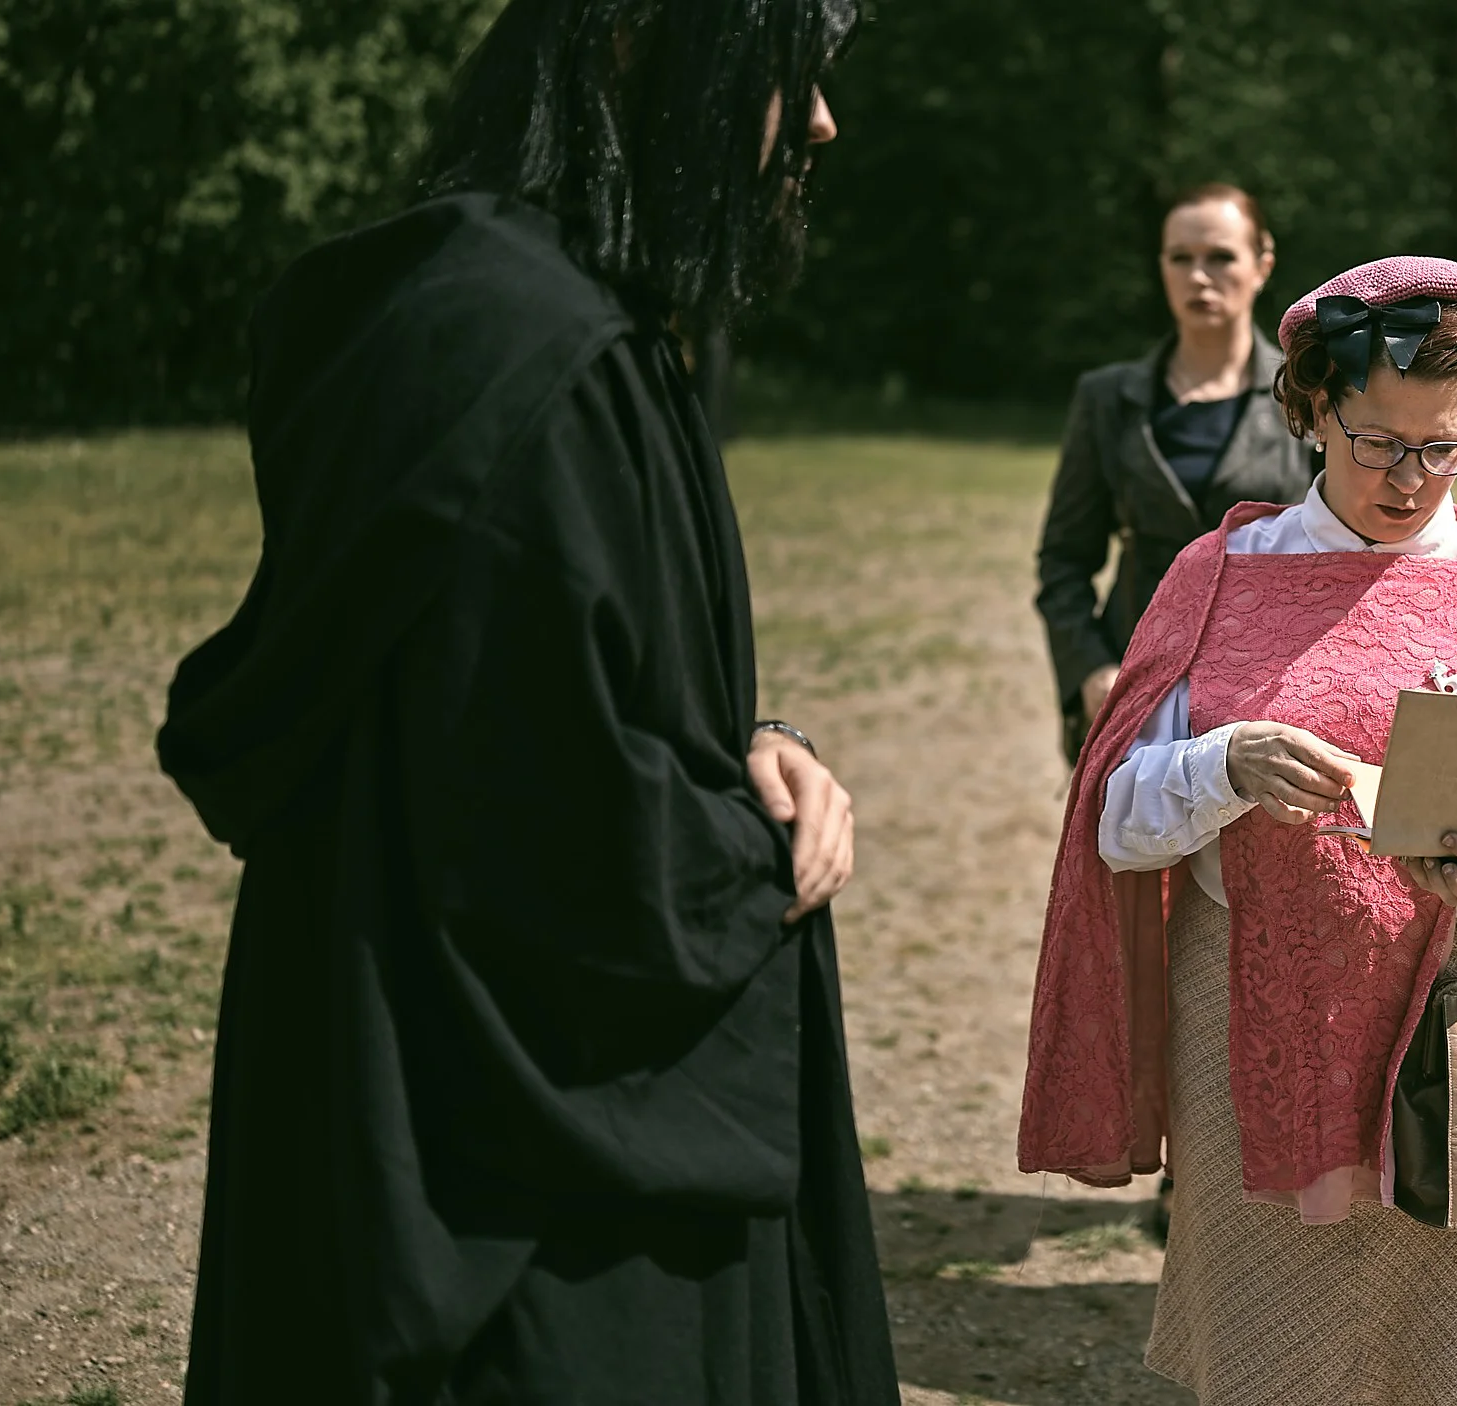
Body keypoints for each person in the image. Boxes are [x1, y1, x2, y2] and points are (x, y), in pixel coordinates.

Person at [155, 1, 899, 1401]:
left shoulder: (513, 315)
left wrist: (752, 742)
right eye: (786, 73)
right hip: (501, 1202)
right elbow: (551, 838)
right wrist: (755, 865)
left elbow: (534, 691)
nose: (818, 120)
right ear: (647, 49)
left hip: (378, 1085)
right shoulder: (540, 360)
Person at [1021, 256, 1457, 1406]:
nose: (1408, 479)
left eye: (1443, 447)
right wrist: (1222, 764)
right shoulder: (1217, 578)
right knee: (1275, 1363)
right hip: (1250, 1036)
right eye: (1377, 441)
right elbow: (1114, 820)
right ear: (1313, 409)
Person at [1035, 183, 1314, 764]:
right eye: (1181, 258)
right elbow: (1064, 560)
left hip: (1268, 691)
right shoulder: (1107, 399)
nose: (1199, 277)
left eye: (1221, 257)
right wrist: (1090, 668)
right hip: (1133, 689)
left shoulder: (1308, 394)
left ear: (1262, 264)